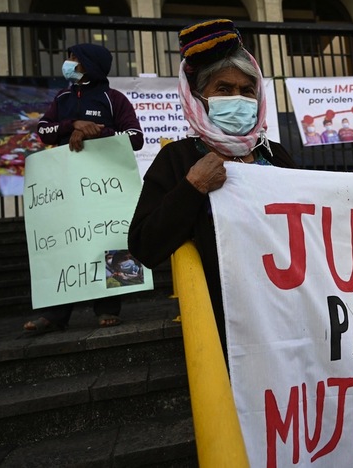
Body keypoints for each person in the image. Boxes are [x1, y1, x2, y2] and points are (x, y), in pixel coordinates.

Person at [127, 18, 296, 353]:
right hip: (224, 325)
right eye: (223, 89)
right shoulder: (178, 159)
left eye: (247, 90)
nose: (238, 98)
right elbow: (144, 247)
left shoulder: (275, 155)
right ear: (198, 97)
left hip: (288, 315)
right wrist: (193, 186)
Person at [23, 43, 144, 333]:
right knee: (62, 243)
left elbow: (135, 137)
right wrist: (72, 125)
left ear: (90, 64)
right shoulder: (62, 97)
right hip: (65, 187)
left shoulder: (114, 99)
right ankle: (54, 315)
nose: (68, 63)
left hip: (105, 186)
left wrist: (99, 131)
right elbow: (43, 131)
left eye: (74, 58)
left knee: (108, 238)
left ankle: (108, 308)